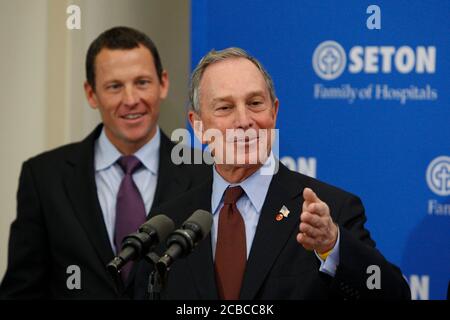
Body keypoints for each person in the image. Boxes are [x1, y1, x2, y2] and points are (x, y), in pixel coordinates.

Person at [135, 47, 411, 300]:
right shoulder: (170, 220)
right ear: (198, 126)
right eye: (225, 107)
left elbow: (393, 295)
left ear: (274, 112)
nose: (244, 121)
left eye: (255, 103)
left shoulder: (329, 211)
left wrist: (332, 246)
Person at [0, 26, 210, 299]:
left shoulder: (208, 174)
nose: (131, 100)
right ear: (91, 93)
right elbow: (22, 291)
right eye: (114, 86)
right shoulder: (44, 177)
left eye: (142, 82)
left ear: (163, 83)